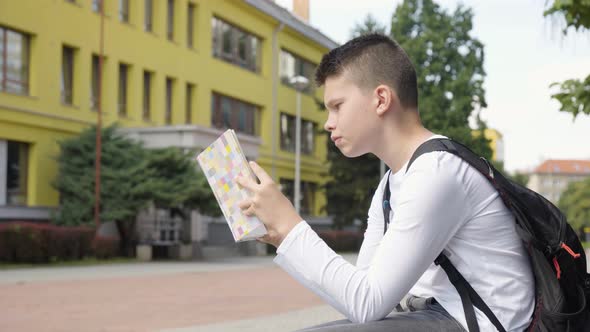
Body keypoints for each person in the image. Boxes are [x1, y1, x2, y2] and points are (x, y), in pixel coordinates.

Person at [236, 34, 534, 332]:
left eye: (337, 106)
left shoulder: (437, 173)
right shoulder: (390, 186)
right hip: (441, 314)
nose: (328, 122)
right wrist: (280, 236)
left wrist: (290, 225)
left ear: (381, 99)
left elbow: (366, 302)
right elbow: (362, 301)